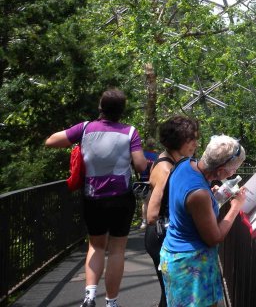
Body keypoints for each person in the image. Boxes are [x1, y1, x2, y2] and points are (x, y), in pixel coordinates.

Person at [45, 88, 147, 307]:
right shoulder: (130, 132)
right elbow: (139, 165)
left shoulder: (84, 128)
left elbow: (51, 141)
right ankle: (111, 302)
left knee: (96, 245)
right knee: (117, 249)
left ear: (100, 107)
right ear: (122, 111)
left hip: (93, 198)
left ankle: (90, 296)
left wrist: (78, 144)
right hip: (121, 198)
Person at [160, 135, 247, 307]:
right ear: (220, 170)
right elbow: (214, 237)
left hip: (175, 254)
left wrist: (213, 196)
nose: (233, 174)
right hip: (190, 264)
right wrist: (235, 207)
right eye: (232, 170)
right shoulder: (199, 194)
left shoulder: (185, 165)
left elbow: (188, 206)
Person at [144, 116, 200, 307]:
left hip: (162, 234)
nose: (195, 143)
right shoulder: (167, 169)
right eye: (191, 139)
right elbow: (151, 214)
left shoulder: (166, 157)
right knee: (172, 295)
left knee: (170, 293)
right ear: (179, 140)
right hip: (161, 235)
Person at [138, 138, 160, 230]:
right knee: (154, 201)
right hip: (154, 181)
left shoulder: (143, 155)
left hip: (143, 180)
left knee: (145, 202)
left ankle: (144, 221)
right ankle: (153, 221)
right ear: (154, 145)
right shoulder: (157, 156)